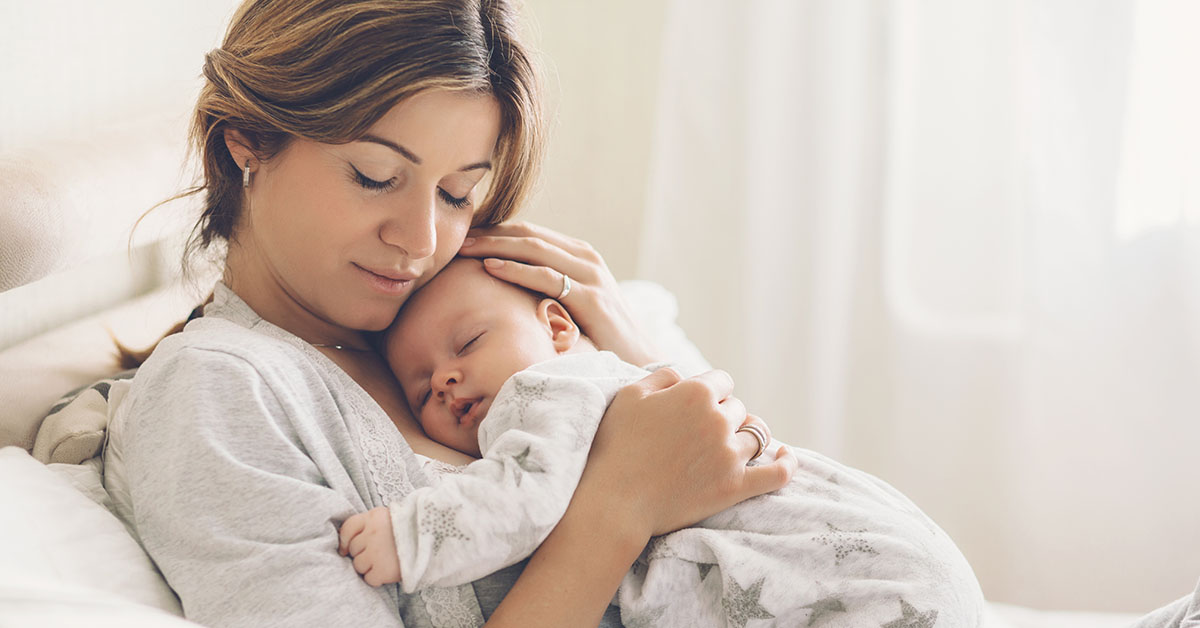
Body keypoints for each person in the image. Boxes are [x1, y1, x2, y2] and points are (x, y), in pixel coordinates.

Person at [101, 0, 796, 626]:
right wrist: (617, 507)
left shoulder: (480, 314)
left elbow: (760, 503)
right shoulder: (216, 392)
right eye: (375, 178)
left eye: (458, 193)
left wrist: (628, 352)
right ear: (247, 139)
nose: (421, 242)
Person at [339, 257, 986, 627]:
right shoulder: (619, 387)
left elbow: (518, 500)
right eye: (421, 388)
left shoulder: (548, 390)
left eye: (468, 343)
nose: (445, 379)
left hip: (853, 574)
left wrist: (410, 535)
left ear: (559, 328)